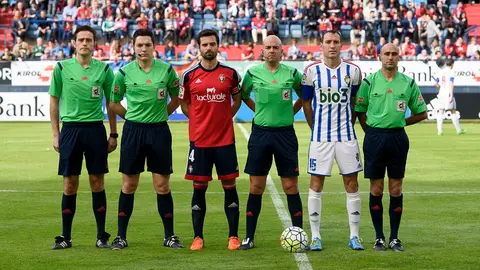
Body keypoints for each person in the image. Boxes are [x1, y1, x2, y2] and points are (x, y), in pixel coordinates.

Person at [109, 29, 183, 250]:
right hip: (133, 132)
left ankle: (169, 236)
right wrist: (131, 118)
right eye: (139, 45)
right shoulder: (123, 73)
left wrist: (161, 116)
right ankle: (121, 236)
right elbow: (113, 102)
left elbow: (176, 98)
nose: (143, 49)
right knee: (129, 185)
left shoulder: (167, 71)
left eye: (147, 45)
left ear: (154, 46)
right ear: (133, 47)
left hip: (159, 131)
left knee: (162, 185)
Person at [49, 25, 118, 250]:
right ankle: (66, 237)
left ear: (94, 44)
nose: (85, 43)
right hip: (70, 130)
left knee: (97, 183)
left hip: (96, 130)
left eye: (89, 40)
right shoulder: (61, 68)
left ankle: (101, 237)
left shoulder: (105, 70)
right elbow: (53, 101)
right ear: (74, 42)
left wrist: (113, 133)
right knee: (70, 184)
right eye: (81, 39)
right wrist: (56, 134)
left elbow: (111, 103)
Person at [355, 43, 428, 252]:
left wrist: (402, 123)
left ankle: (394, 238)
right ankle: (379, 237)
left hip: (397, 138)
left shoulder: (408, 83)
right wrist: (369, 131)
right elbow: (360, 109)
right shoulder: (369, 82)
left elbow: (422, 113)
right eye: (386, 53)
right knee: (376, 188)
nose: (390, 57)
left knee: (396, 189)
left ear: (399, 57)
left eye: (394, 54)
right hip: (374, 138)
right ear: (379, 57)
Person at [179, 29, 243, 251]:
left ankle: (233, 236)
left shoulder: (231, 73)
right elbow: (184, 104)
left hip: (225, 141)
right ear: (198, 47)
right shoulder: (188, 76)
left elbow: (237, 99)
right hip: (199, 141)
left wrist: (226, 117)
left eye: (212, 44)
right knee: (199, 188)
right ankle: (198, 237)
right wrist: (197, 120)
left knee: (229, 187)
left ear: (218, 46)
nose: (208, 48)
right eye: (204, 44)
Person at [238, 35, 304, 250]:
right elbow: (243, 94)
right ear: (262, 51)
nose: (272, 51)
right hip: (260, 134)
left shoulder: (293, 74)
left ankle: (299, 234)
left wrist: (290, 113)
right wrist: (258, 110)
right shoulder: (252, 73)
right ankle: (249, 237)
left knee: (290, 186)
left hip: (285, 134)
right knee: (256, 186)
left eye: (276, 47)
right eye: (268, 47)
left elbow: (304, 96)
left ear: (282, 51)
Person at [302, 30, 364, 251]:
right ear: (321, 45)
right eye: (328, 42)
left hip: (347, 136)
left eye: (336, 42)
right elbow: (306, 103)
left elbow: (356, 101)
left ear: (342, 45)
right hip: (320, 138)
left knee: (352, 184)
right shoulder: (311, 71)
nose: (332, 46)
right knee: (316, 185)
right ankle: (316, 236)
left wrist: (350, 122)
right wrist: (314, 127)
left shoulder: (354, 71)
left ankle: (355, 236)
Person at [433, 58, 466, 135]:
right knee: (453, 111)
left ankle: (440, 131)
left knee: (440, 111)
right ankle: (458, 130)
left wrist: (440, 86)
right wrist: (451, 95)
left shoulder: (440, 72)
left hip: (441, 94)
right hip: (448, 94)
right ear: (452, 64)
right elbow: (451, 83)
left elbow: (435, 83)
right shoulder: (451, 72)